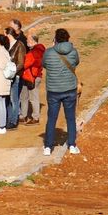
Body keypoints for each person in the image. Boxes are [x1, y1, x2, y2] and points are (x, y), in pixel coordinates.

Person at [42, 27, 81, 156]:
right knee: (70, 118)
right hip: (69, 89)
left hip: (53, 90)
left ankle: (48, 146)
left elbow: (44, 65)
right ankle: (72, 145)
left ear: (56, 39)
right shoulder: (73, 52)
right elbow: (76, 63)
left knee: (52, 118)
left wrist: (53, 47)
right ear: (68, 38)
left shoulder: (48, 52)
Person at [4, 19, 27, 130]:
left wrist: (12, 73)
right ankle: (9, 119)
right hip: (8, 77)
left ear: (9, 35)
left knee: (14, 99)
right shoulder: (7, 46)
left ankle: (14, 121)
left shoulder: (20, 45)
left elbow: (21, 63)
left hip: (15, 76)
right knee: (8, 99)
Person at [20, 32, 45, 125]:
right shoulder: (39, 50)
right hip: (31, 76)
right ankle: (24, 116)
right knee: (25, 96)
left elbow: (26, 64)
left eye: (28, 39)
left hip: (32, 77)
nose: (26, 41)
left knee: (32, 97)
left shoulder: (34, 52)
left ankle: (35, 118)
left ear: (32, 40)